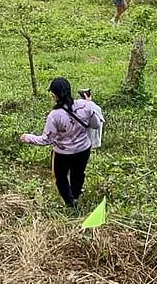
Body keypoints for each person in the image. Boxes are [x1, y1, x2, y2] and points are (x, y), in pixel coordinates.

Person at [19, 77, 103, 209]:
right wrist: (89, 106)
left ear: (54, 95)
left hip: (63, 154)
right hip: (83, 150)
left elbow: (46, 139)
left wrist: (28, 137)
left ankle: (70, 204)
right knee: (78, 173)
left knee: (60, 177)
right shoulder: (84, 105)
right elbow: (96, 125)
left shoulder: (55, 115)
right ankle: (76, 196)